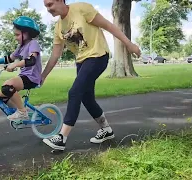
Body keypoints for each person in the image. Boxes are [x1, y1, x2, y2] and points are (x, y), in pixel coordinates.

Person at [41, 0, 141, 151]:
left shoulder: (82, 8)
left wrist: (129, 44)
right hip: (81, 62)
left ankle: (61, 138)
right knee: (86, 97)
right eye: (46, 6)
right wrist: (43, 75)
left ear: (61, 1)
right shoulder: (58, 28)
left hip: (98, 56)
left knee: (74, 92)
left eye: (50, 4)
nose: (48, 9)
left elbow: (109, 26)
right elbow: (55, 55)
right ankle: (106, 129)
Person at [0, 16, 42, 121]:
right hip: (24, 76)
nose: (16, 37)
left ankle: (22, 112)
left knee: (7, 86)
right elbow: (9, 58)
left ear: (26, 33)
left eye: (17, 35)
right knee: (1, 96)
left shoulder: (33, 44)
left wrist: (15, 64)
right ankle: (19, 112)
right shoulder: (21, 47)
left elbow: (32, 60)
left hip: (32, 77)